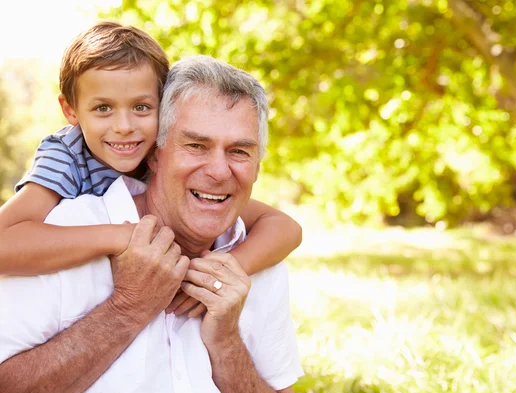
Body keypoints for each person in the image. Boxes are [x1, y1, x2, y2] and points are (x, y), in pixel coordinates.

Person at [0, 54, 303, 393]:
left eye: (239, 151)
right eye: (195, 146)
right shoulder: (61, 233)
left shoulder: (257, 256)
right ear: (154, 153)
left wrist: (227, 344)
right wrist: (127, 309)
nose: (219, 172)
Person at [0, 21, 301, 317]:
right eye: (103, 108)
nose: (124, 127)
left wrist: (223, 272)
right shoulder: (67, 156)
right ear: (70, 110)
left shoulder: (155, 152)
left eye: (141, 107)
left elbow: (286, 228)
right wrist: (120, 237)